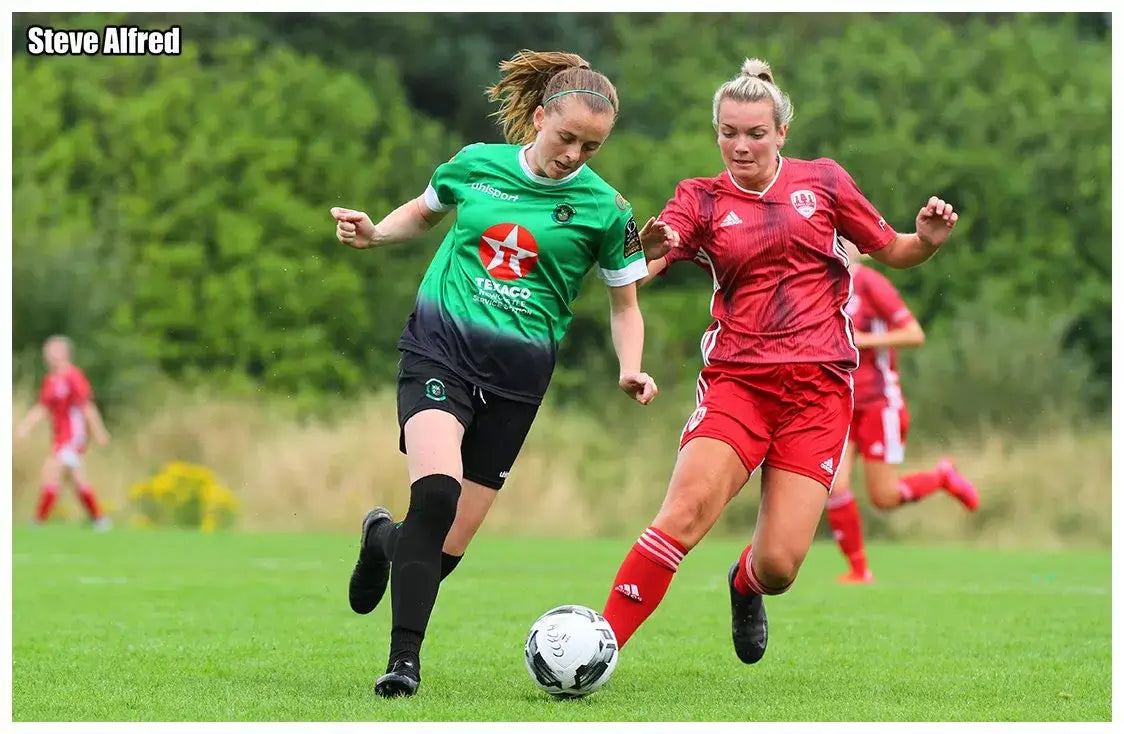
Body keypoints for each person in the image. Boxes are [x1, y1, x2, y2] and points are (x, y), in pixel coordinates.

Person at [330, 49, 674, 698]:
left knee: (444, 550)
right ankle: (404, 663)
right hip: (438, 351)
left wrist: (631, 367)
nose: (574, 154)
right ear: (540, 117)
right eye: (566, 136)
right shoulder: (476, 165)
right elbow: (423, 211)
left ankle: (382, 541)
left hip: (516, 384)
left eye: (591, 146)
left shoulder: (606, 211)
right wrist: (375, 233)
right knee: (436, 495)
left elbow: (625, 304)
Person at [597, 58, 960, 665]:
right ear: (716, 132)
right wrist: (643, 251)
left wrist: (923, 240)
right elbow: (646, 265)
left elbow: (893, 250)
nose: (741, 145)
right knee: (683, 513)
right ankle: (595, 652)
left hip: (819, 392)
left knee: (780, 566)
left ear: (781, 132)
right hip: (738, 384)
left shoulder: (823, 183)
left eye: (755, 133)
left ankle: (743, 584)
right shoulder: (701, 199)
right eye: (729, 133)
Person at [826, 238, 979, 584]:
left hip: (880, 403)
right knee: (835, 488)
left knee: (884, 498)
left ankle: (940, 477)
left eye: (842, 239)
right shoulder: (822, 287)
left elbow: (914, 334)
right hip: (840, 403)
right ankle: (859, 570)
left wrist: (861, 341)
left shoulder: (871, 284)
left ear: (855, 248)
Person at [15, 335, 111, 529]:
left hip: (73, 435)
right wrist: (25, 426)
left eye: (52, 351)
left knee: (52, 470)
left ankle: (38, 521)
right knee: (77, 479)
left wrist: (100, 431)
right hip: (60, 436)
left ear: (65, 353)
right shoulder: (50, 380)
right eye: (47, 351)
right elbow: (42, 408)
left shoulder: (73, 376)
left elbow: (87, 406)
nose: (48, 355)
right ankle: (100, 519)